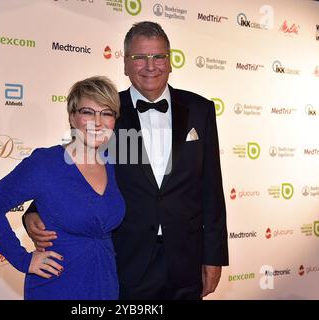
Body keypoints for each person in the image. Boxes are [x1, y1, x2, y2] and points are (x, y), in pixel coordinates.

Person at [24, 21, 228, 300]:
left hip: (186, 259)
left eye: (158, 56)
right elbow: (73, 166)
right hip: (126, 259)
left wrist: (214, 256)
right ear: (125, 64)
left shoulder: (200, 109)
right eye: (139, 57)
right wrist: (35, 210)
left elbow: (211, 189)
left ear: (170, 62)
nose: (150, 66)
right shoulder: (106, 112)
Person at [0, 76, 125, 300]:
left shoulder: (113, 164)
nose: (98, 122)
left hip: (105, 285)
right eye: (88, 112)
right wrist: (23, 260)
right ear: (72, 118)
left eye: (106, 113)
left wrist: (32, 212)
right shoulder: (45, 163)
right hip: (57, 287)